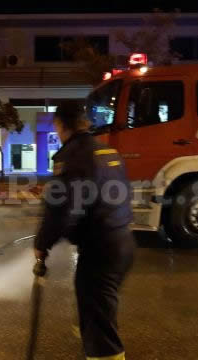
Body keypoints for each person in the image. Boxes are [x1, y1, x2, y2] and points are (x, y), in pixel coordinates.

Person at [34, 101, 135, 360]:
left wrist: (42, 243)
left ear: (61, 125)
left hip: (99, 251)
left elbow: (60, 209)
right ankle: (91, 337)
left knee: (100, 331)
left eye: (56, 126)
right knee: (96, 314)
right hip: (123, 243)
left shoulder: (72, 157)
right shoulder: (107, 151)